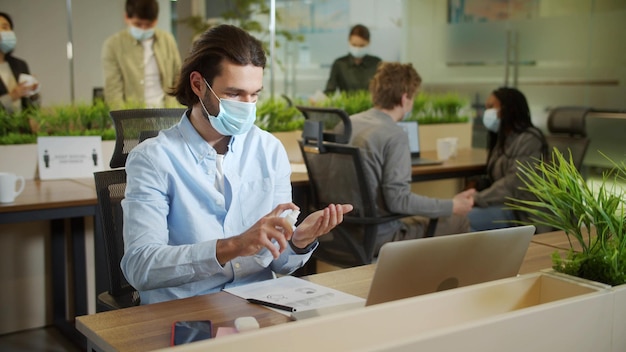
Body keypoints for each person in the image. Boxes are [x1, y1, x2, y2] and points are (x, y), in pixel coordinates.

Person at [120, 24, 353, 305]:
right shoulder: (153, 159)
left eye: (254, 95)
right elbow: (140, 267)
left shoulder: (269, 150)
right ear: (197, 85)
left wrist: (297, 241)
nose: (247, 106)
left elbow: (278, 264)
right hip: (186, 310)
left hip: (257, 304)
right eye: (233, 94)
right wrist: (232, 246)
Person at [348, 62, 475, 253]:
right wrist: (452, 205)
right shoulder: (394, 134)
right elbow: (398, 201)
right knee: (458, 220)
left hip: (344, 234)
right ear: (405, 97)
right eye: (413, 97)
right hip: (379, 237)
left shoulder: (349, 123)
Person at [467, 87, 547, 231]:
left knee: (462, 222)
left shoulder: (529, 139)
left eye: (491, 107)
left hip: (523, 212)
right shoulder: (503, 139)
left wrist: (477, 199)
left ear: (508, 109)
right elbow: (499, 176)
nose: (487, 112)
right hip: (504, 205)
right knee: (457, 220)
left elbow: (514, 184)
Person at [102, 0, 181, 108]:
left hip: (167, 113)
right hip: (133, 115)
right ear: (126, 18)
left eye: (148, 24)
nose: (143, 29)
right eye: (138, 24)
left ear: (156, 21)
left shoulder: (168, 40)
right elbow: (113, 90)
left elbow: (178, 77)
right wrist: (122, 120)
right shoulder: (113, 45)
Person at [324, 24, 381, 95]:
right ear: (349, 41)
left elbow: (383, 91)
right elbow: (329, 91)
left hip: (371, 105)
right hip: (347, 105)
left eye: (362, 45)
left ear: (368, 42)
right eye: (354, 45)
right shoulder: (339, 64)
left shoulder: (377, 63)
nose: (357, 49)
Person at [0, 12, 39, 113]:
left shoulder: (20, 65)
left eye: (5, 27)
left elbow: (32, 108)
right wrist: (12, 96)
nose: (2, 32)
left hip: (21, 127)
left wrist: (33, 94)